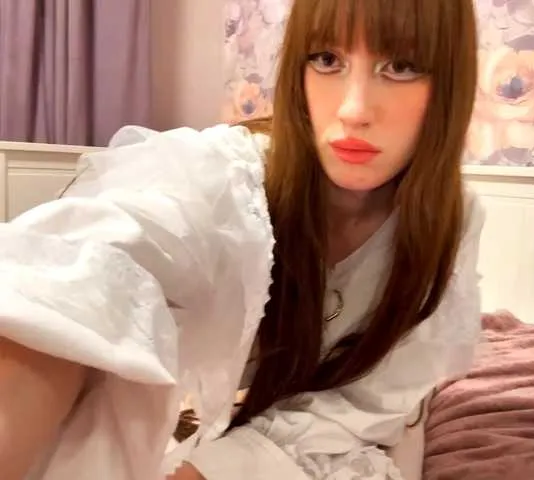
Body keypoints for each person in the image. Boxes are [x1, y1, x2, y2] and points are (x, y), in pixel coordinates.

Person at [0, 0, 483, 478]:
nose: (353, 110)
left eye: (401, 66)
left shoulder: (448, 221)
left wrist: (205, 472)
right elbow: (83, 273)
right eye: (327, 59)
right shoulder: (225, 180)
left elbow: (373, 403)